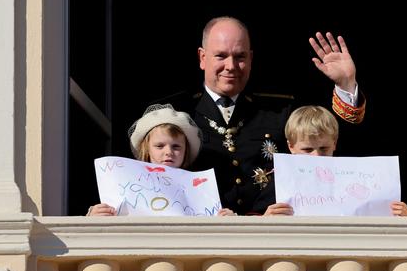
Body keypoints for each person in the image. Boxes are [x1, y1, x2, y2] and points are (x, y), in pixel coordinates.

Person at [154, 16, 366, 216]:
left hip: (272, 237)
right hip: (197, 239)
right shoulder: (173, 112)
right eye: (221, 56)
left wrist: (345, 84)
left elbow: (332, 144)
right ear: (202, 57)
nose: (231, 66)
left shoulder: (279, 111)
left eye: (240, 57)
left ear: (251, 58)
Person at [87, 103, 236, 216]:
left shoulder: (202, 190)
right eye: (159, 146)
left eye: (176, 147)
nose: (168, 152)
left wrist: (226, 219)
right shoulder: (123, 182)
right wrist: (95, 215)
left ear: (186, 151)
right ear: (147, 149)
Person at [280, 105, 407, 216]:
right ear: (291, 146)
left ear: (334, 143)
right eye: (307, 150)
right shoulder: (279, 184)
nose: (317, 156)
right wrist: (265, 219)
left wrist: (405, 217)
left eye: (324, 148)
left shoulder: (357, 177)